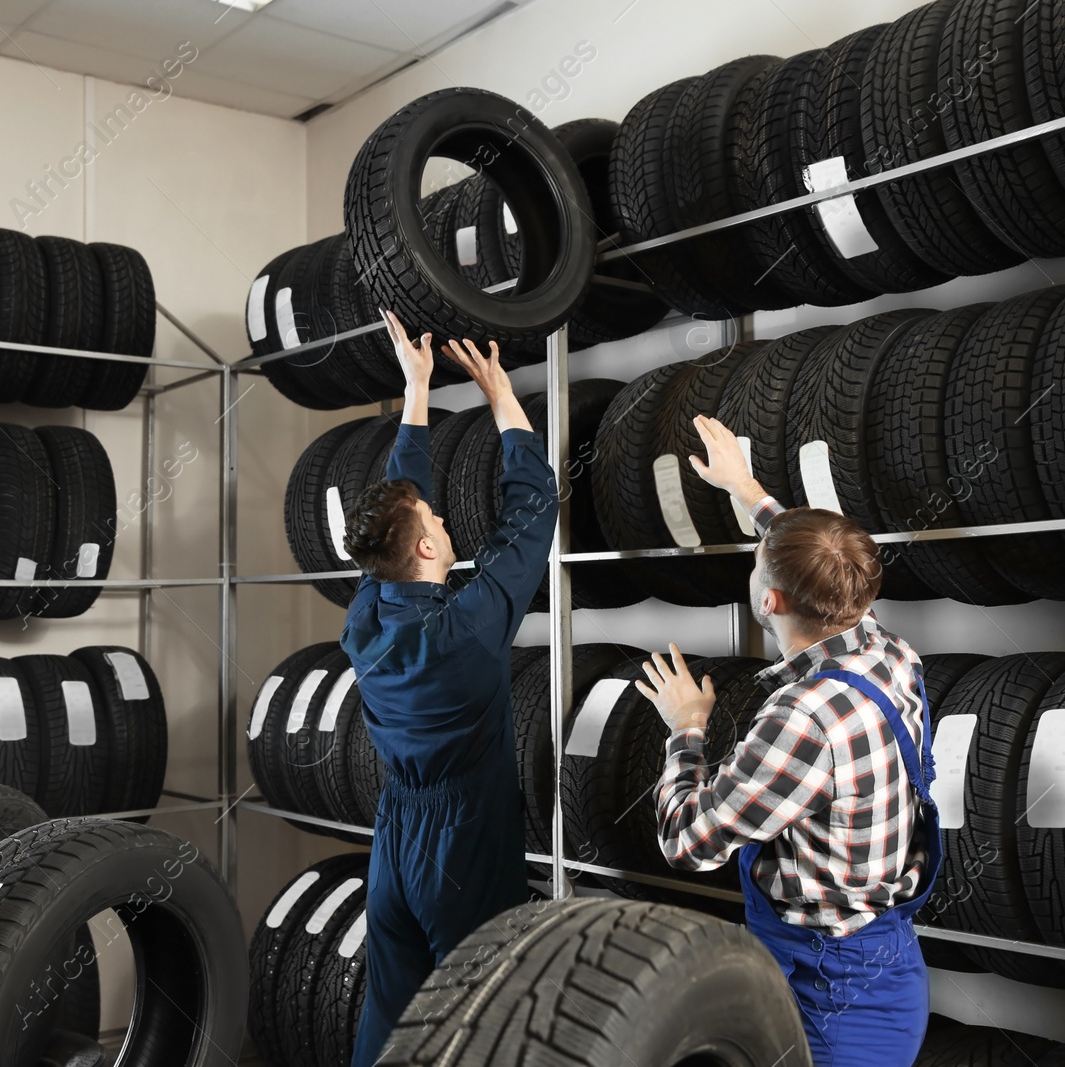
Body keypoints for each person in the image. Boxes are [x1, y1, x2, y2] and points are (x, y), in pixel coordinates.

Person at [634, 413, 941, 1067]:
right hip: (889, 966)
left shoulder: (802, 718)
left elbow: (688, 842)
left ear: (769, 602)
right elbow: (823, 560)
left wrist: (686, 727)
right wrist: (745, 488)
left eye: (756, 564)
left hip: (826, 1003)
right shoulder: (887, 651)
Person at [338, 310, 558, 1067]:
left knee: (391, 1016)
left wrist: (418, 389)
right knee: (475, 1021)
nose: (439, 510)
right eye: (434, 515)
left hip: (395, 839)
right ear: (430, 544)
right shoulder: (463, 631)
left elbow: (400, 510)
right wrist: (502, 396)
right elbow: (533, 511)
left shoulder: (366, 619)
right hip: (463, 841)